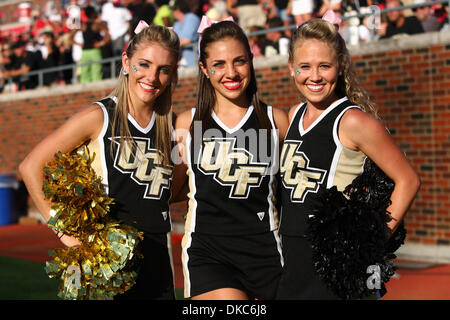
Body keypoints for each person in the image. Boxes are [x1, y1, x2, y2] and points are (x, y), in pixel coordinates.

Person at [18, 24, 182, 300]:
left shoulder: (172, 126)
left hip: (157, 262)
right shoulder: (100, 116)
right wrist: (65, 234)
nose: (152, 77)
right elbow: (31, 166)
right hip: (103, 261)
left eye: (164, 69)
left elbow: (173, 192)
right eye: (144, 64)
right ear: (126, 62)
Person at [276, 13, 420, 299]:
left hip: (335, 267)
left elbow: (408, 180)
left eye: (324, 66)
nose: (314, 77)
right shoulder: (293, 115)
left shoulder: (353, 121)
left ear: (341, 66)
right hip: (292, 259)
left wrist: (370, 241)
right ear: (291, 67)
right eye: (304, 66)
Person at [175, 18, 289, 300]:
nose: (231, 72)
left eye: (239, 61)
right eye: (219, 64)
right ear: (204, 68)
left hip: (265, 251)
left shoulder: (276, 121)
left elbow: (290, 193)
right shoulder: (187, 124)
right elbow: (173, 189)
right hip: (208, 252)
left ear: (251, 60)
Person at [172, 0, 201, 67]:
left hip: (193, 61)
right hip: (182, 63)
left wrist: (169, 46)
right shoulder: (177, 23)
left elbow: (186, 40)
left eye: (173, 9)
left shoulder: (191, 18)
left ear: (178, 9)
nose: (171, 12)